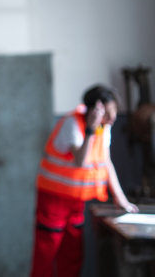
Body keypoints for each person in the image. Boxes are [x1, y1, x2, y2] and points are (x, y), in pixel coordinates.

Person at [30, 85, 139, 277]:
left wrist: (120, 196)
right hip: (54, 198)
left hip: (76, 200)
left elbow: (106, 162)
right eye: (110, 112)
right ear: (96, 109)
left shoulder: (104, 127)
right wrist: (90, 128)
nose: (113, 118)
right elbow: (80, 160)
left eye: (115, 112)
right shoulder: (73, 123)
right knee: (46, 252)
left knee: (72, 255)